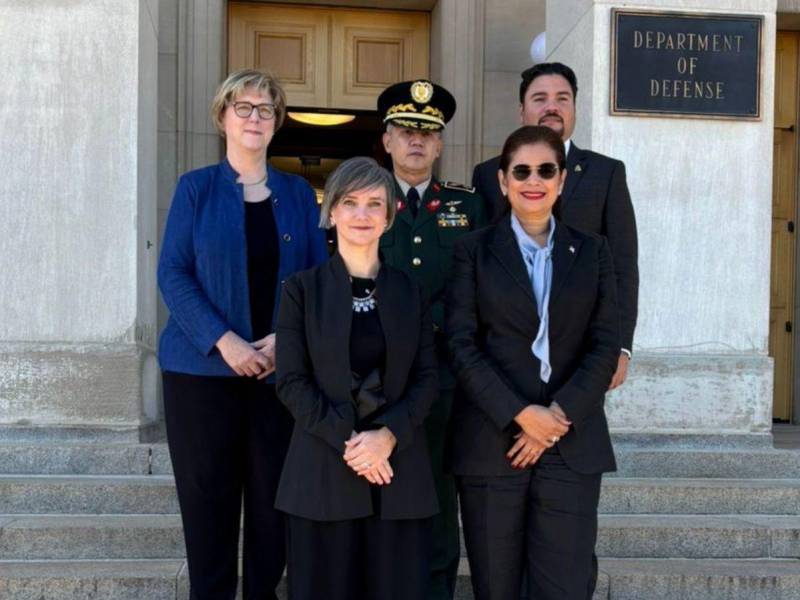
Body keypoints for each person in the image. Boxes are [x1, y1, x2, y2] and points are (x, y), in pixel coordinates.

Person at [157, 68, 328, 600]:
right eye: (244, 107)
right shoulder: (195, 189)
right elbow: (173, 273)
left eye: (267, 109)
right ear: (223, 117)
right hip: (201, 375)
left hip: (279, 378)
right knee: (208, 506)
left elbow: (319, 277)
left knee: (272, 509)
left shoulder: (299, 194)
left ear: (277, 122)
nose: (255, 117)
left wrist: (286, 339)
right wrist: (224, 340)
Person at [448, 125, 620, 600]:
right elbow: (462, 345)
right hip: (493, 444)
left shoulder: (593, 251)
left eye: (546, 169)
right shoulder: (472, 251)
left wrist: (556, 418)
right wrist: (524, 415)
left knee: (564, 587)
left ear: (561, 180)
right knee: (496, 587)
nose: (534, 179)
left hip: (571, 445)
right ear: (502, 181)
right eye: (521, 170)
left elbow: (605, 345)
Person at [275, 156, 439, 600]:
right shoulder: (299, 290)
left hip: (398, 474)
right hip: (322, 474)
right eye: (350, 203)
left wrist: (387, 437)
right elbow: (291, 381)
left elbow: (428, 377)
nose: (362, 215)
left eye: (374, 204)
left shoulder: (411, 291)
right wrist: (353, 443)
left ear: (389, 217)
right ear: (331, 213)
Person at [377, 79, 488, 600]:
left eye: (427, 132)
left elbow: (478, 285)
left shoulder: (469, 205)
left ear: (440, 144)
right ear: (387, 142)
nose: (416, 140)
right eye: (405, 131)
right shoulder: (363, 202)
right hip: (378, 373)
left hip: (447, 374)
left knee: (441, 485)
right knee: (380, 481)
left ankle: (438, 587)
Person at [472, 62, 638, 392]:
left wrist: (621, 347)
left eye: (563, 98)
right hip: (505, 352)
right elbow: (479, 263)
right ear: (522, 110)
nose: (552, 107)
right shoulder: (489, 174)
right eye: (540, 98)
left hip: (583, 352)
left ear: (575, 108)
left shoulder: (606, 173)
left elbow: (622, 265)